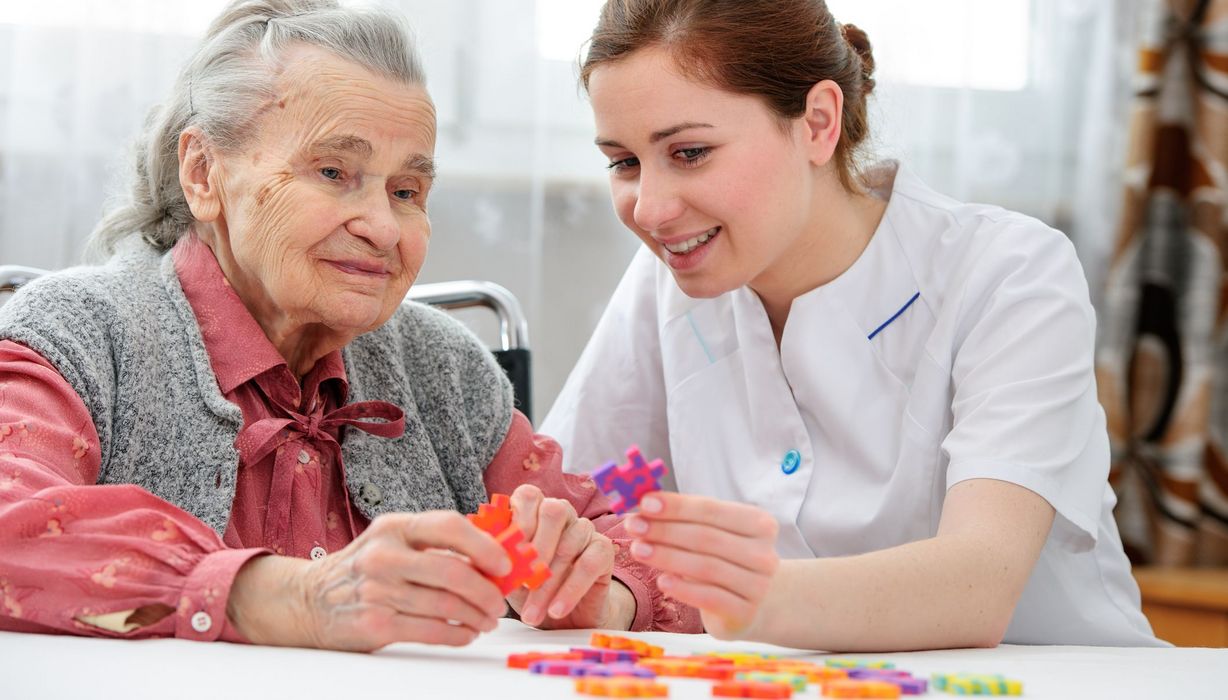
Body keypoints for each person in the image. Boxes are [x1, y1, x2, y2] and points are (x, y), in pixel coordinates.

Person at [0, 0, 700, 651]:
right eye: (334, 172)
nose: (382, 227)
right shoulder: (77, 334)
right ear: (204, 173)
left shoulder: (444, 370)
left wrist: (597, 590)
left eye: (407, 191)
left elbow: (646, 546)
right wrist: (289, 597)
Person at [542, 0, 1161, 650]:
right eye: (624, 162)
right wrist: (581, 579)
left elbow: (976, 588)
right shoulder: (666, 283)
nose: (651, 208)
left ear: (817, 122)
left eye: (691, 152)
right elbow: (579, 504)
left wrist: (741, 599)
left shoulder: (1008, 274)